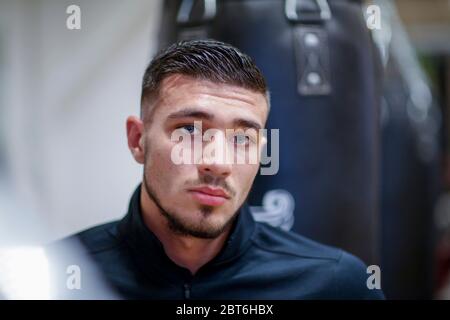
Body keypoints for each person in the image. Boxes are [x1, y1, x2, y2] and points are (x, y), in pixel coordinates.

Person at [50, 39, 384, 299]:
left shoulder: (334, 284)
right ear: (138, 140)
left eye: (242, 139)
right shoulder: (58, 278)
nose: (220, 163)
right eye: (190, 131)